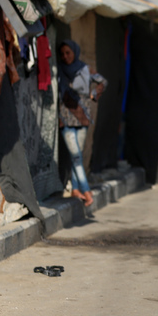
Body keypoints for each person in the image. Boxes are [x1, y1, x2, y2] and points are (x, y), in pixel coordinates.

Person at [57, 40, 106, 207]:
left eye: (68, 53)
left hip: (83, 117)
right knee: (76, 156)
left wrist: (93, 94)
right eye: (62, 53)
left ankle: (75, 189)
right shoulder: (59, 70)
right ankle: (86, 190)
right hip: (65, 118)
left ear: (74, 52)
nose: (65, 57)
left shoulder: (84, 69)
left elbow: (102, 82)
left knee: (75, 156)